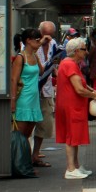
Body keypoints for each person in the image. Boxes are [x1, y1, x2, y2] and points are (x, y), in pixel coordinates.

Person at [55, 36, 96, 179]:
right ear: (76, 51)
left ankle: (75, 166)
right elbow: (79, 89)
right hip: (71, 105)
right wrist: (95, 96)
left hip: (72, 105)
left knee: (74, 135)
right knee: (71, 136)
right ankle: (70, 169)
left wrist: (94, 92)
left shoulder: (70, 63)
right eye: (83, 49)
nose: (86, 52)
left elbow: (82, 84)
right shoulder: (70, 64)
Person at [10, 29, 45, 169]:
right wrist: (13, 100)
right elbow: (14, 79)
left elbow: (41, 71)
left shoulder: (34, 56)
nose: (39, 42)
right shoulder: (20, 57)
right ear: (28, 40)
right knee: (21, 136)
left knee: (28, 134)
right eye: (37, 40)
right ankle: (20, 165)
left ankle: (25, 164)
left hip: (34, 99)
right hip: (23, 99)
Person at [32, 21, 60, 165]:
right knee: (29, 124)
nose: (48, 38)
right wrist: (39, 44)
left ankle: (35, 153)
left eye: (50, 35)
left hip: (46, 89)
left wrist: (55, 71)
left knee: (45, 123)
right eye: (45, 35)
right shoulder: (31, 44)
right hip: (32, 90)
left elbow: (53, 63)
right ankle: (30, 155)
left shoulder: (53, 44)